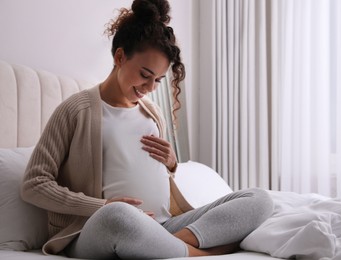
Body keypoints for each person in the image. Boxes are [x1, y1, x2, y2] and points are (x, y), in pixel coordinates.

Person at [21, 0, 274, 259]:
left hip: (162, 226)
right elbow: (34, 184)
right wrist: (102, 205)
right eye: (145, 75)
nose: (150, 87)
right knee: (118, 216)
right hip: (97, 229)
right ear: (119, 57)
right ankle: (199, 253)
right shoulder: (76, 110)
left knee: (259, 199)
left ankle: (170, 244)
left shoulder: (152, 111)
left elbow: (155, 176)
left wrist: (172, 164)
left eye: (158, 80)